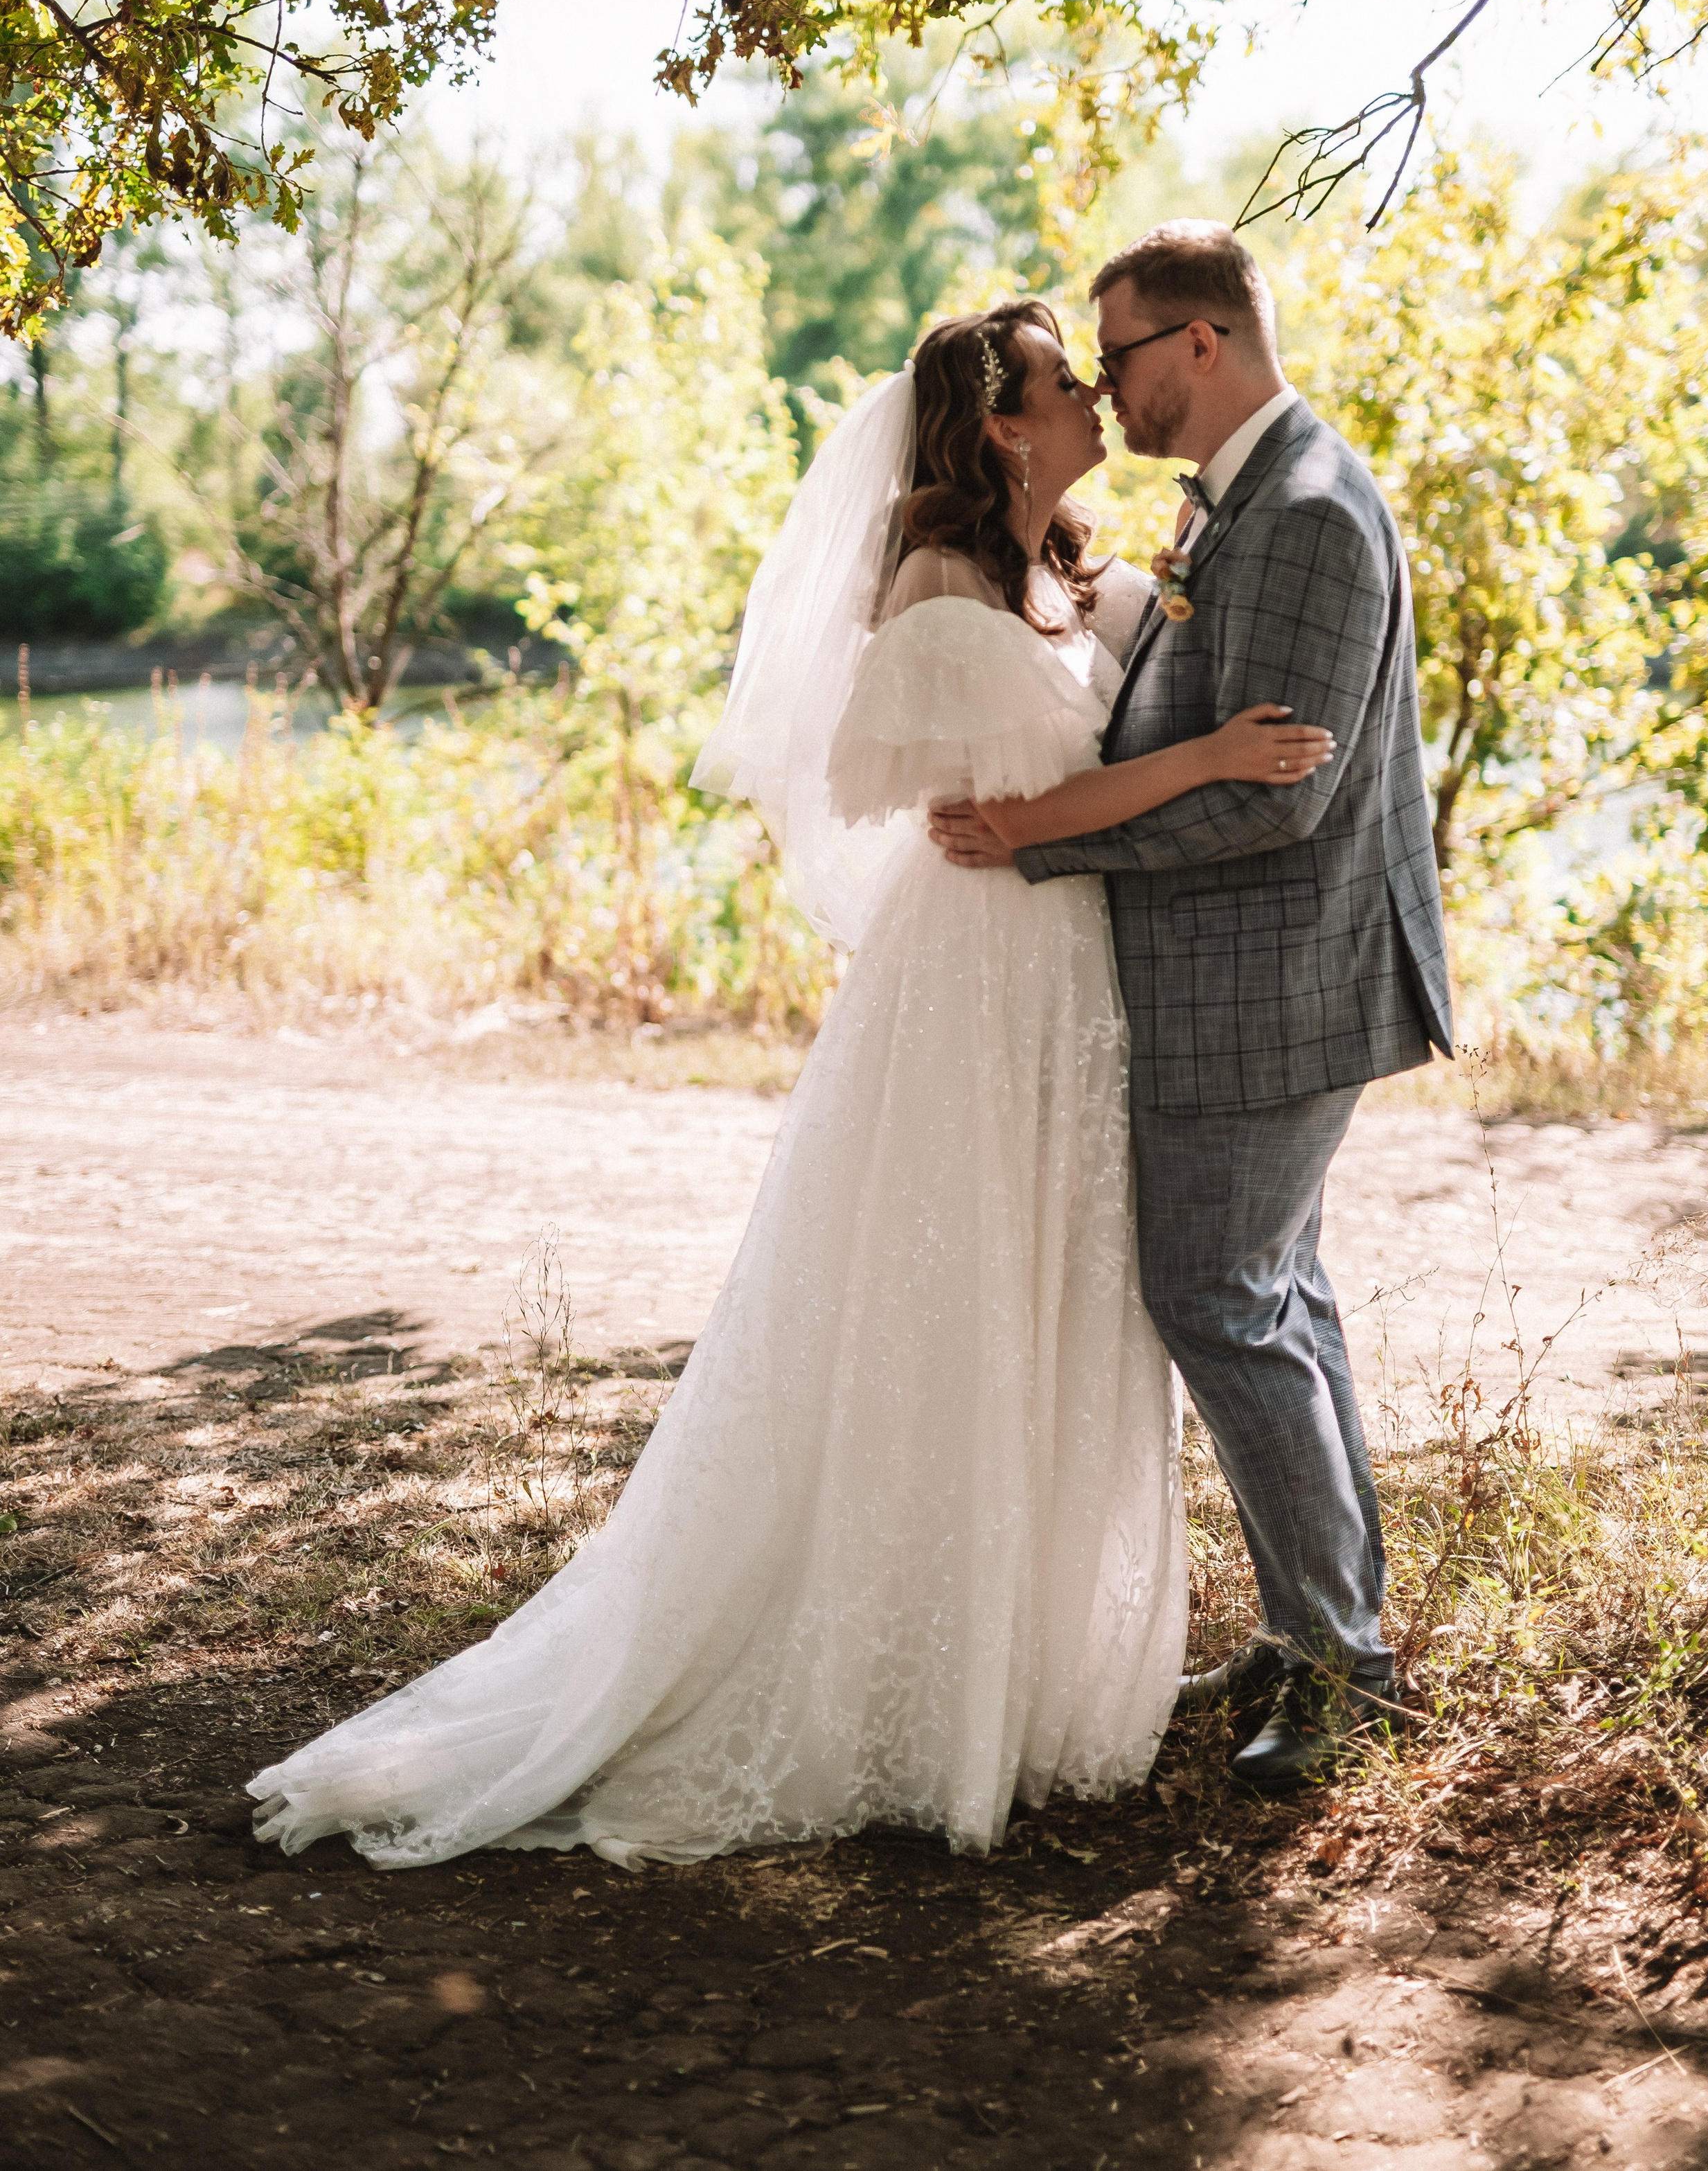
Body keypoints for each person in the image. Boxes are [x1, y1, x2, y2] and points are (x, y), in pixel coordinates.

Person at [247, 298, 1335, 1870]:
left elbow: (1084, 734)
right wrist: (1207, 760)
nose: (1093, 390)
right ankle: (902, 1680)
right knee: (953, 1305)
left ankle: (1023, 1663)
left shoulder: (1063, 575)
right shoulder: (939, 587)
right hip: (977, 984)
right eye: (1058, 377)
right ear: (1002, 428)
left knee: (1056, 1298)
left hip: (1069, 988)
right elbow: (986, 814)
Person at [932, 224, 1453, 1790]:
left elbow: (1270, 804)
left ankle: (1346, 1667)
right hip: (1261, 979)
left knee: (1217, 1300)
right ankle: (1320, 1625)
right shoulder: (1245, 501)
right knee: (1270, 1295)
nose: (1109, 386)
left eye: (1123, 356)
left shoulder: (1295, 512)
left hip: (1267, 981)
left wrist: (1044, 840)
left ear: (1203, 343)